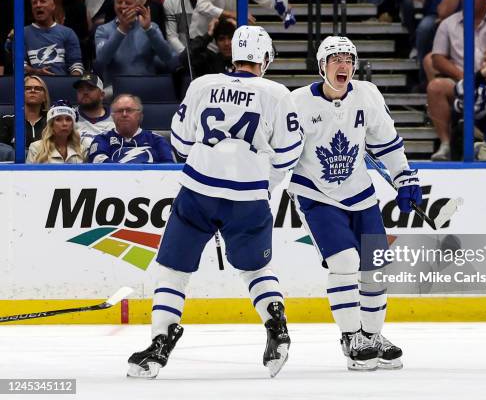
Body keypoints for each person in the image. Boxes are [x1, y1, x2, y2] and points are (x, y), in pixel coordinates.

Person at [126, 25, 303, 379]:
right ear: (264, 59)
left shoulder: (202, 84)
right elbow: (288, 152)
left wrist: (211, 161)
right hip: (248, 197)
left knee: (173, 271)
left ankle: (161, 343)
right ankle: (276, 326)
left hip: (198, 193)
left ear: (233, 55)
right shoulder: (278, 93)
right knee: (255, 270)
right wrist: (259, 182)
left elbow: (179, 140)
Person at [288, 36, 422, 371]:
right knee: (345, 261)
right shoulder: (297, 103)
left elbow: (386, 141)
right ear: (322, 66)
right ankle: (351, 337)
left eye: (348, 59)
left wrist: (404, 177)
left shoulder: (367, 95)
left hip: (360, 193)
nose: (342, 65)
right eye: (335, 59)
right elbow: (281, 153)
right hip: (316, 194)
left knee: (374, 266)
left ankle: (373, 336)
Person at [426, 0, 486, 160]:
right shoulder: (448, 24)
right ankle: (445, 144)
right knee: (436, 87)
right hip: (460, 80)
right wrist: (466, 79)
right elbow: (437, 58)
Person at [94, 0, 179, 86]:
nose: (123, 6)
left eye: (128, 3)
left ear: (138, 6)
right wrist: (121, 30)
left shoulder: (151, 27)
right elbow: (101, 60)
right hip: (115, 88)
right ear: (114, 5)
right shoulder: (103, 30)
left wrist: (149, 29)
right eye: (119, 2)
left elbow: (167, 57)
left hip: (145, 86)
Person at [88, 94, 173, 163]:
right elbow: (98, 163)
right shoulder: (102, 139)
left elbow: (169, 168)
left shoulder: (157, 140)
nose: (124, 114)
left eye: (129, 110)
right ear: (113, 117)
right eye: (120, 111)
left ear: (140, 115)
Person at [188, 0, 295, 40]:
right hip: (201, 37)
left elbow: (268, 1)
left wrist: (285, 7)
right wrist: (232, 14)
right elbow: (202, 6)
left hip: (222, 41)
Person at [25, 0, 84, 76]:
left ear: (53, 6)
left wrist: (72, 84)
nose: (38, 5)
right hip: (33, 85)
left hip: (61, 85)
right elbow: (19, 65)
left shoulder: (68, 33)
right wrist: (36, 72)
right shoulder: (22, 34)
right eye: (34, 3)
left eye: (42, 1)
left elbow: (76, 65)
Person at [0, 75, 51, 151]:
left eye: (37, 88)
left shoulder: (51, 122)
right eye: (27, 88)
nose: (32, 90)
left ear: (44, 97)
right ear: (20, 95)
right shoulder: (7, 121)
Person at [73, 73, 115, 152]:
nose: (85, 92)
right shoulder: (69, 117)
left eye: (90, 88)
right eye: (80, 89)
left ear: (102, 95)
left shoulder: (117, 117)